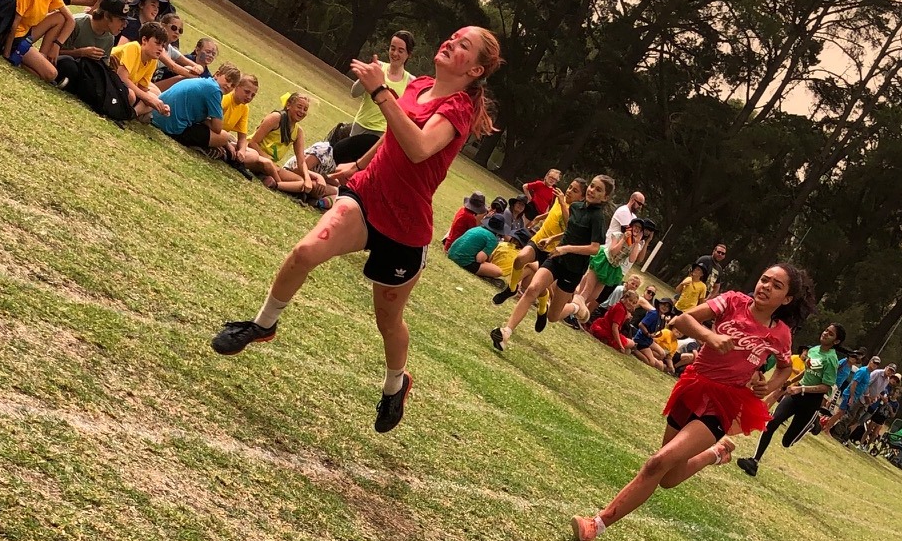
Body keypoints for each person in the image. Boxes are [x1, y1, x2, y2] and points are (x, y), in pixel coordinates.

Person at [212, 27, 501, 433]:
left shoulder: (457, 109)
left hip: (404, 228)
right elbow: (392, 137)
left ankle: (395, 386)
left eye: (463, 45)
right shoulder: (418, 84)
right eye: (452, 36)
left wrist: (381, 92)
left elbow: (418, 147)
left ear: (476, 69)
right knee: (304, 252)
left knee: (388, 323)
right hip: (366, 196)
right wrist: (360, 165)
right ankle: (262, 324)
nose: (451, 42)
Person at [572, 264, 815, 541]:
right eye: (764, 279)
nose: (766, 287)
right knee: (667, 477)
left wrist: (768, 387)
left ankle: (596, 524)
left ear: (787, 299)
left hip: (725, 402)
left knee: (656, 463)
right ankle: (715, 454)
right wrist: (709, 336)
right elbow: (682, 320)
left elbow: (784, 367)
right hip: (691, 387)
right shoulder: (733, 301)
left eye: (777, 286)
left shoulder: (781, 334)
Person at [491, 175, 612, 351]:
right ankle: (505, 333)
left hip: (573, 269)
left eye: (598, 189)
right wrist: (551, 240)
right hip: (557, 258)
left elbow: (595, 248)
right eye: (592, 186)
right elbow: (571, 231)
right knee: (532, 289)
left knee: (553, 316)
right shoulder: (577, 207)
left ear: (605, 198)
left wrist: (567, 248)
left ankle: (575, 307)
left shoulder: (598, 218)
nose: (592, 191)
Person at [735, 322, 846, 477]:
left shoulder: (831, 360)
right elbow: (807, 372)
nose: (825, 333)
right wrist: (791, 382)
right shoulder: (814, 350)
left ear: (836, 342)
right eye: (826, 330)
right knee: (771, 423)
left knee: (787, 442)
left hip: (811, 401)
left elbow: (826, 387)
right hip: (796, 394)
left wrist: (801, 389)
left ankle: (813, 423)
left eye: (831, 334)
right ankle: (754, 461)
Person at [335, 30, 415, 165]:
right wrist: (366, 76)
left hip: (381, 134)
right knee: (344, 164)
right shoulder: (377, 68)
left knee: (364, 170)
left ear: (408, 55)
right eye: (392, 48)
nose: (395, 54)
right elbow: (354, 93)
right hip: (361, 125)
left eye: (401, 51)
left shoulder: (411, 82)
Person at [4, 0, 78, 80]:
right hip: (13, 36)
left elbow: (70, 20)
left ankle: (39, 56)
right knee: (51, 74)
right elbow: (14, 22)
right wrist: (6, 54)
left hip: (26, 33)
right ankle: (18, 57)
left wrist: (57, 45)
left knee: (60, 17)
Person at [54, 0, 131, 117]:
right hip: (67, 66)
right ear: (106, 16)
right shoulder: (78, 23)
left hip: (86, 76)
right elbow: (54, 52)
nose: (124, 25)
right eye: (121, 20)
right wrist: (80, 53)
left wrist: (110, 69)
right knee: (68, 64)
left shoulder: (110, 38)